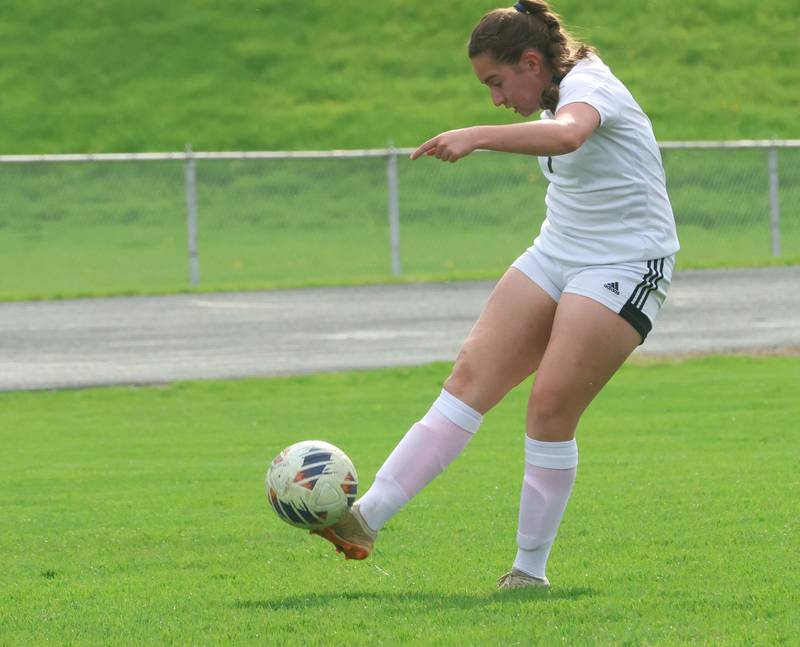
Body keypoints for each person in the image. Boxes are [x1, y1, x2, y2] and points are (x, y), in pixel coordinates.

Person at [312, 0, 680, 589]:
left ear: (532, 62)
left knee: (549, 409)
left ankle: (528, 572)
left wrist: (477, 137)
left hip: (626, 262)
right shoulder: (556, 83)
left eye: (497, 82)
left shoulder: (589, 82)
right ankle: (365, 520)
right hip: (557, 251)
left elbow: (568, 135)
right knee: (468, 379)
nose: (495, 98)